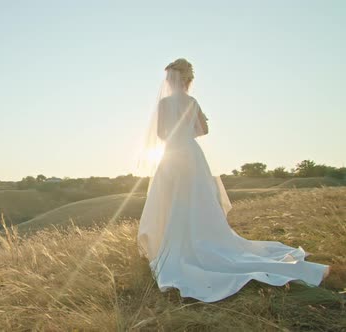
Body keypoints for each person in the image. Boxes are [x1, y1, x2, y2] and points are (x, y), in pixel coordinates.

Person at [136, 58, 330, 302]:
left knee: (173, 199)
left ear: (170, 79)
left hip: (173, 154)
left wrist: (177, 134)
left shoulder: (165, 103)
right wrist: (188, 132)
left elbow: (162, 134)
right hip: (192, 154)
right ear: (188, 80)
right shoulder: (192, 102)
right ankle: (204, 238)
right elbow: (204, 130)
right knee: (198, 199)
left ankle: (173, 245)